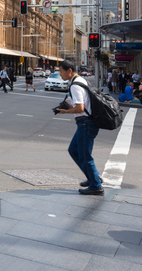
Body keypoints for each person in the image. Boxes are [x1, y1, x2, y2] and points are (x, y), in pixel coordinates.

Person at [54, 60, 104, 195]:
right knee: (74, 150)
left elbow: (80, 108)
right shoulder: (81, 80)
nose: (60, 75)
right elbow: (81, 106)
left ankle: (96, 186)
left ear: (69, 71)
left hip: (85, 123)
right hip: (86, 122)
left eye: (61, 71)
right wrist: (69, 107)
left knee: (85, 155)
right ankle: (92, 177)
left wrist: (65, 111)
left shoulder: (75, 85)